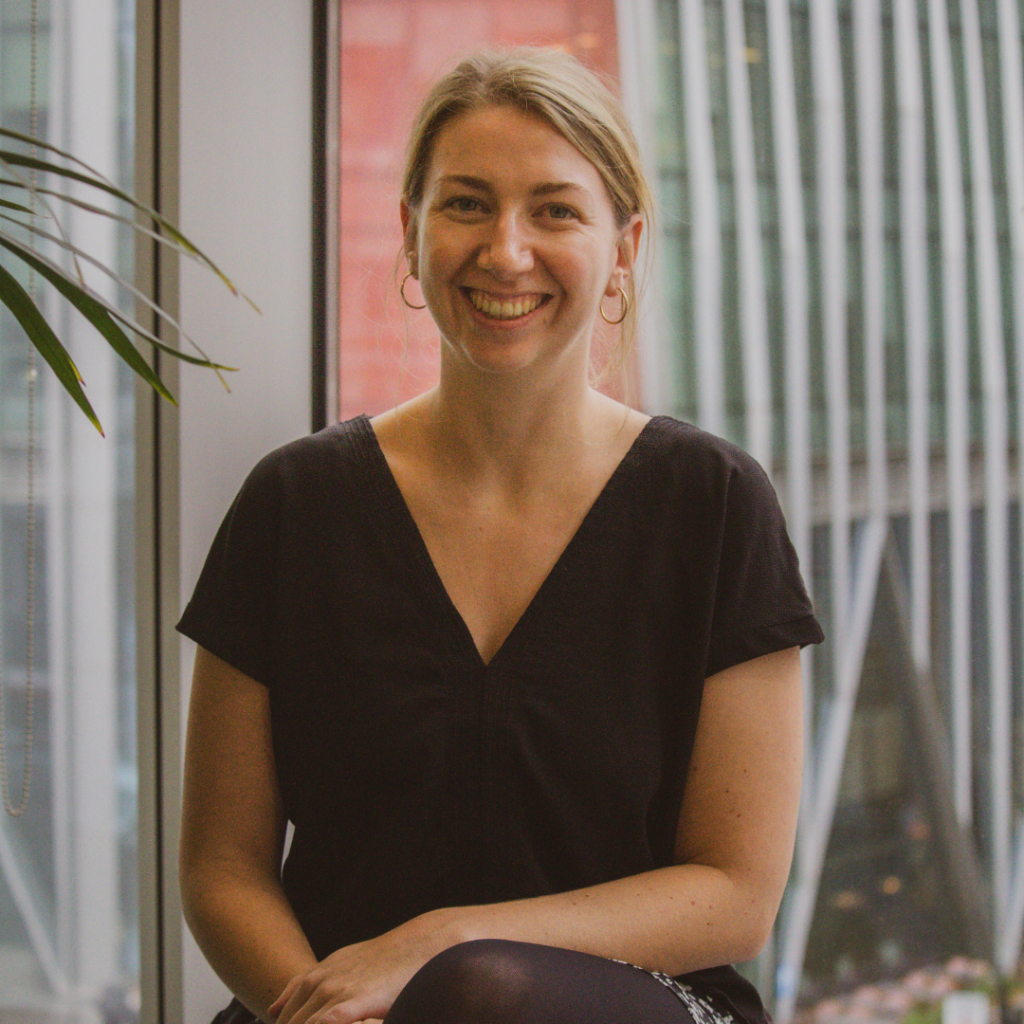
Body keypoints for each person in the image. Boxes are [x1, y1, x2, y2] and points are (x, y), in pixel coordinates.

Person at [177, 47, 824, 1024]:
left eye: (555, 209)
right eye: (467, 203)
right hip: (330, 1009)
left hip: (646, 1003)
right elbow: (221, 867)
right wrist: (321, 1012)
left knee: (483, 990)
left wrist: (443, 939)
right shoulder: (293, 501)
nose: (506, 251)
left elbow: (735, 894)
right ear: (410, 230)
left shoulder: (713, 503)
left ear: (624, 246)